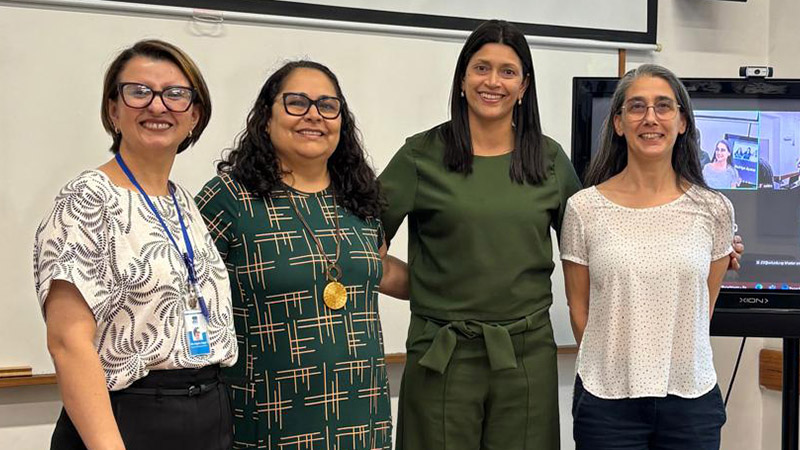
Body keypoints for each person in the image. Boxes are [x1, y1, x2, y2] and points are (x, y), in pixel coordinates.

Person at [379, 20, 581, 449]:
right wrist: (432, 291)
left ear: (524, 85)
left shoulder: (549, 160)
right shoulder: (421, 155)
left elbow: (594, 250)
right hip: (442, 354)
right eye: (481, 68)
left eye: (508, 71)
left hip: (526, 357)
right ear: (462, 79)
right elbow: (361, 248)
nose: (493, 82)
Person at [33, 40, 237, 450]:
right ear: (113, 110)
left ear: (195, 116)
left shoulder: (182, 202)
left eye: (176, 94)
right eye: (139, 91)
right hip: (127, 418)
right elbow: (68, 342)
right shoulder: (88, 198)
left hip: (207, 412)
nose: (158, 106)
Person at [196, 60, 396, 449]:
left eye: (327, 105)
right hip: (268, 421)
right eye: (296, 103)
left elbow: (380, 270)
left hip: (362, 417)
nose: (314, 115)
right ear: (266, 118)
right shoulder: (228, 199)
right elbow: (186, 295)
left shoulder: (359, 198)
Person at [561, 64, 734, 450]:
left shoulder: (715, 209)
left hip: (691, 399)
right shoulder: (584, 209)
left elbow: (701, 306)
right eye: (637, 107)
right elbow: (579, 311)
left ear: (683, 122)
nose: (650, 118)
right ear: (619, 123)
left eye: (663, 106)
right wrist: (616, 363)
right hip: (607, 403)